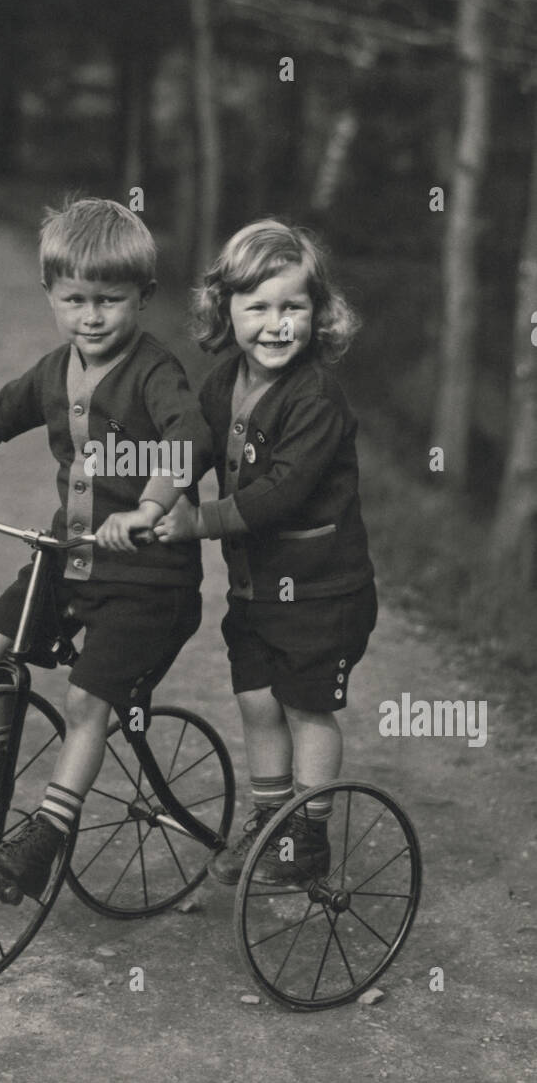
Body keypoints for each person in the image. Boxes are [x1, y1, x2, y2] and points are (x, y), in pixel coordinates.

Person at [0, 198, 207, 899]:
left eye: (110, 301)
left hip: (150, 580)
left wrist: (152, 507)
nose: (91, 317)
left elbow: (189, 439)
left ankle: (45, 838)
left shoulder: (156, 373)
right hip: (73, 562)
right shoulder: (54, 370)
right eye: (74, 300)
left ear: (145, 298)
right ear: (51, 296)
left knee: (89, 699)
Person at [155, 218, 377, 884]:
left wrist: (196, 521)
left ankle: (305, 837)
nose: (276, 324)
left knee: (307, 705)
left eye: (293, 307)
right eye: (258, 307)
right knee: (257, 700)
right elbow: (194, 443)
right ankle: (272, 818)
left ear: (318, 313)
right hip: (255, 590)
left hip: (322, 592)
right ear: (226, 311)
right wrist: (151, 491)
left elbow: (279, 496)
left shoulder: (315, 399)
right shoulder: (224, 383)